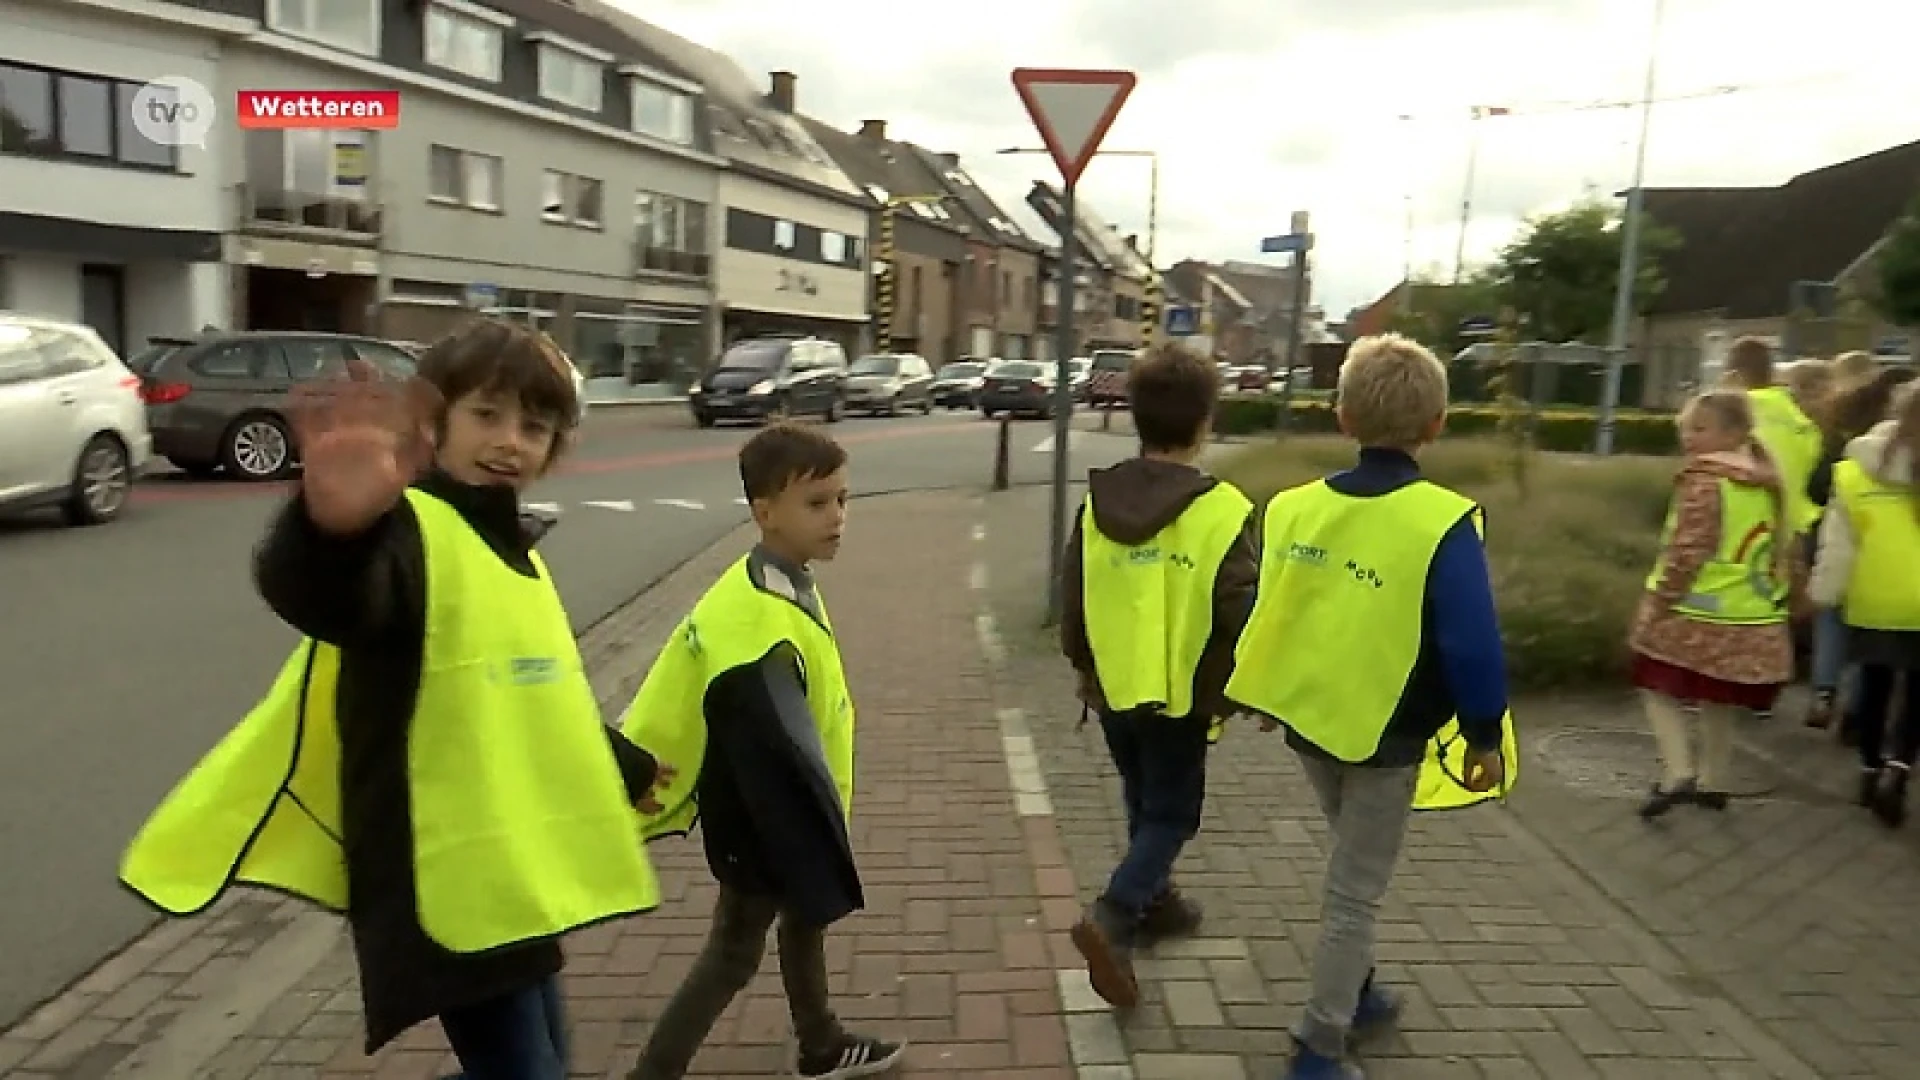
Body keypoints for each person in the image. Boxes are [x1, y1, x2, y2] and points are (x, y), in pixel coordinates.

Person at [120, 318, 667, 1078]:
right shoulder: (409, 531)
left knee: (546, 1058)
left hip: (506, 868)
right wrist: (333, 531)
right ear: (431, 423)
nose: (511, 440)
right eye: (486, 416)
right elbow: (337, 601)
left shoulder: (506, 548)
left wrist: (619, 763)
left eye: (534, 427)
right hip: (439, 874)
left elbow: (520, 689)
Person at [1224, 333, 1510, 1080]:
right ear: (1437, 424)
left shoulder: (1291, 507)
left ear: (1342, 416)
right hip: (1386, 731)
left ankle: (1361, 991)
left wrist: (1261, 685)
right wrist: (1484, 736)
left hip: (1309, 718)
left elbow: (1270, 605)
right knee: (1355, 891)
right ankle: (1319, 1047)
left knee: (1350, 862)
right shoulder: (1442, 522)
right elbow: (1472, 644)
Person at [618, 423, 904, 1080]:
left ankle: (821, 1043)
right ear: (763, 511)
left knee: (804, 923)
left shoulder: (774, 580)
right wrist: (805, 844)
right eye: (817, 503)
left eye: (842, 500)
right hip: (766, 821)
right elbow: (767, 749)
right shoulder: (756, 627)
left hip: (784, 813)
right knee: (733, 954)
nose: (836, 517)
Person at [1057, 342, 1259, 1009]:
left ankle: (1157, 901)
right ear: (1205, 424)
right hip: (1182, 696)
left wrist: (1085, 668)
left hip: (1112, 688)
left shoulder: (1097, 502)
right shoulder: (1223, 508)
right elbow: (1241, 605)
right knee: (1171, 813)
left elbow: (1074, 597)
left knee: (1143, 797)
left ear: (1136, 417)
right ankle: (1115, 914)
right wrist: (1249, 683)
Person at [1630, 390, 1799, 819]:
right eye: (1685, 428)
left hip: (1694, 607)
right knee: (1716, 697)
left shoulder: (1705, 481)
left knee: (1655, 687)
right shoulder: (1766, 483)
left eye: (1700, 429)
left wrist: (1662, 601)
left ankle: (1678, 772)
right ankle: (1714, 781)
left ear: (1735, 433)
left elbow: (1689, 550)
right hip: (1749, 611)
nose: (1689, 437)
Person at [1811, 381, 1920, 825]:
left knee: (1874, 685)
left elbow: (1839, 546)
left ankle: (1870, 767)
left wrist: (1823, 593)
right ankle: (1899, 769)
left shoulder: (1856, 471)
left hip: (1875, 595)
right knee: (1917, 693)